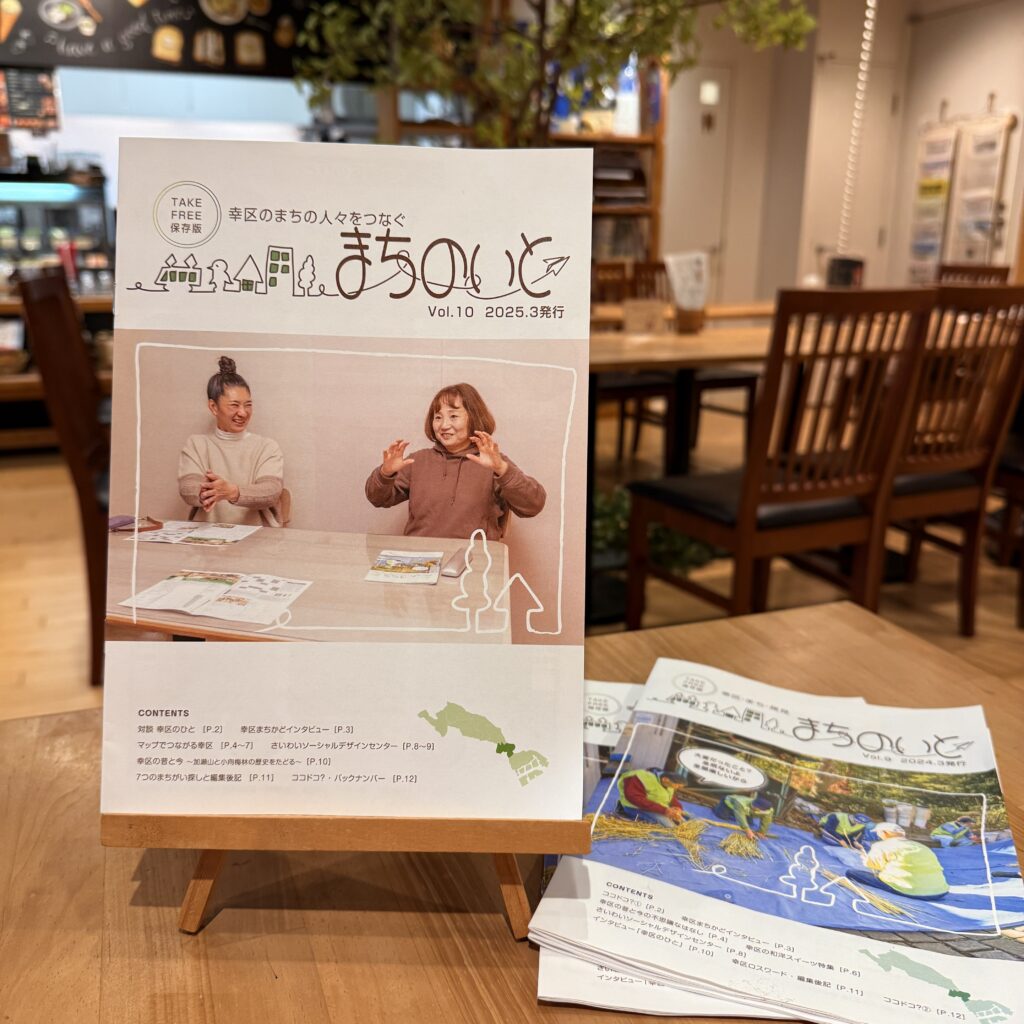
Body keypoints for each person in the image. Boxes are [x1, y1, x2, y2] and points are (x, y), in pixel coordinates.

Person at [365, 382, 545, 541]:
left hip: (473, 560)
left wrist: (502, 469)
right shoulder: (418, 460)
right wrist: (385, 474)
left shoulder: (492, 462)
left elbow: (533, 505)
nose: (444, 425)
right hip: (420, 559)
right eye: (438, 417)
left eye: (453, 416)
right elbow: (377, 499)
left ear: (473, 417)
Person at [178, 356, 284, 527]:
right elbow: (187, 488)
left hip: (257, 536)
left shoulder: (267, 447)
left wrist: (231, 492)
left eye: (248, 405)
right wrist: (209, 492)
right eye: (234, 405)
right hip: (206, 536)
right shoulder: (196, 444)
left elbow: (271, 491)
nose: (243, 412)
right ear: (213, 407)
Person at [845, 823, 949, 901]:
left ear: (884, 833)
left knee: (851, 873)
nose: (878, 835)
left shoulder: (881, 845)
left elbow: (873, 865)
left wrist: (865, 858)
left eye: (878, 833)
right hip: (940, 891)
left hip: (910, 891)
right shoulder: (923, 847)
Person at [616, 767, 690, 828]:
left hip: (656, 807)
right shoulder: (639, 778)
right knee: (670, 826)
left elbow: (670, 798)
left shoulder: (668, 783)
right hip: (635, 807)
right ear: (665, 779)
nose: (678, 788)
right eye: (677, 785)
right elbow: (635, 798)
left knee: (689, 818)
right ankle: (623, 811)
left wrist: (677, 808)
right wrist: (665, 810)